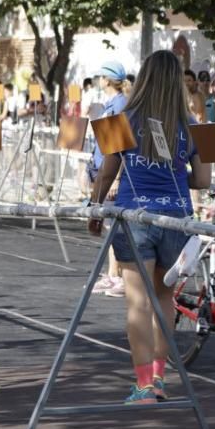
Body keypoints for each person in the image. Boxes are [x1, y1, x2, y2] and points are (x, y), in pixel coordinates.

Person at [88, 49, 210, 404]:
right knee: (164, 297)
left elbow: (106, 173)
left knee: (137, 301)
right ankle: (159, 377)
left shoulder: (122, 118)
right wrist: (172, 171)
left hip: (133, 216)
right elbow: (202, 180)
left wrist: (96, 210)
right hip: (177, 218)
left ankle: (142, 385)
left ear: (142, 79)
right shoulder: (193, 125)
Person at [88, 60, 130, 297]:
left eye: (101, 76)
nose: (99, 80)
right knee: (110, 225)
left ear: (106, 79)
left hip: (113, 172)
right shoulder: (110, 104)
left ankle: (119, 275)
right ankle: (113, 273)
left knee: (116, 226)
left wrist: (115, 179)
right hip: (103, 167)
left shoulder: (120, 105)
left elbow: (120, 147)